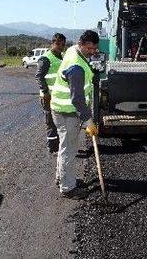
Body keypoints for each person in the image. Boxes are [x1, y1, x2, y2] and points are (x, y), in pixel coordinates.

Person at [50, 30, 100, 199]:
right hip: (67, 111)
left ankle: (61, 178)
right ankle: (68, 188)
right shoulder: (76, 67)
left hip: (62, 108)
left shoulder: (73, 50)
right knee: (69, 150)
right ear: (81, 44)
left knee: (65, 147)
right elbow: (77, 99)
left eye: (95, 48)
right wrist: (88, 121)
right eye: (89, 48)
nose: (92, 51)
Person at [35, 33, 67, 154]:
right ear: (52, 43)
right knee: (51, 122)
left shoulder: (62, 57)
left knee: (59, 122)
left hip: (58, 97)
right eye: (58, 44)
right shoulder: (46, 58)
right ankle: (52, 148)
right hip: (48, 97)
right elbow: (39, 77)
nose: (60, 46)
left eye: (63, 44)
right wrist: (45, 92)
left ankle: (59, 146)